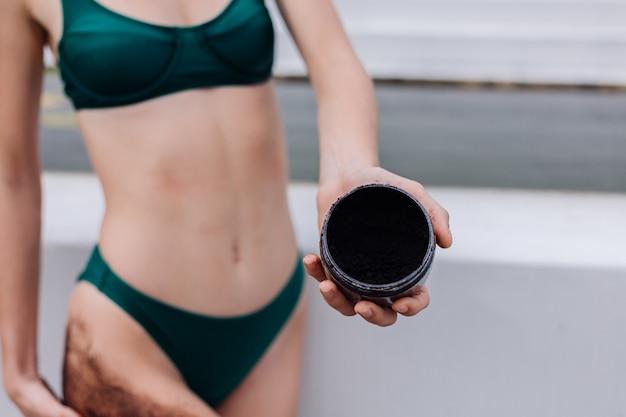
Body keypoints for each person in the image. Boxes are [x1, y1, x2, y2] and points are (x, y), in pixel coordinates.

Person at [0, 0, 453, 415]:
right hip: (133, 327)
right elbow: (12, 177)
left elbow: (333, 59)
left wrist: (351, 168)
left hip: (272, 320)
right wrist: (19, 374)